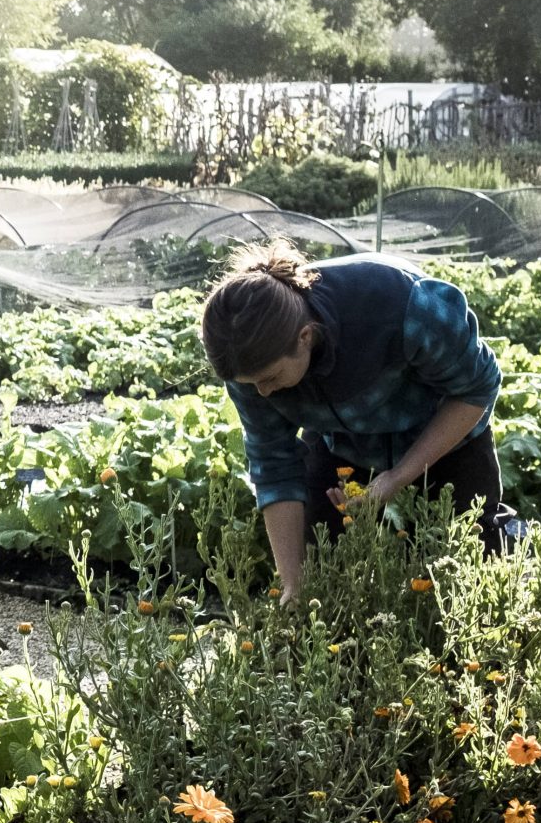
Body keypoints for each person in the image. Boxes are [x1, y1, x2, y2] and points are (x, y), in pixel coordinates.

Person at [201, 241, 505, 602]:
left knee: (462, 568)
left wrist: (398, 477)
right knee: (327, 572)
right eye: (252, 385)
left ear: (305, 337)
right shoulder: (251, 368)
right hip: (340, 440)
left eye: (270, 378)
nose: (263, 393)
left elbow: (476, 387)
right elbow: (273, 464)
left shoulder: (399, 306)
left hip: (443, 430)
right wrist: (295, 585)